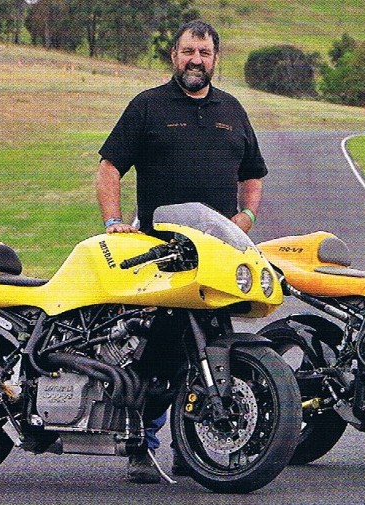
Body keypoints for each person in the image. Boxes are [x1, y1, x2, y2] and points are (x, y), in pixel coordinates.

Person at [95, 20, 268, 483]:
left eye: (204, 53)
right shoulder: (148, 106)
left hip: (218, 255)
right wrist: (114, 223)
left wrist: (247, 217)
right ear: (174, 56)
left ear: (215, 59)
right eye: (188, 51)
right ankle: (141, 445)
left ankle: (190, 451)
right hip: (159, 256)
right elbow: (110, 168)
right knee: (157, 348)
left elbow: (253, 173)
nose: (196, 60)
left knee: (211, 347)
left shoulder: (232, 110)